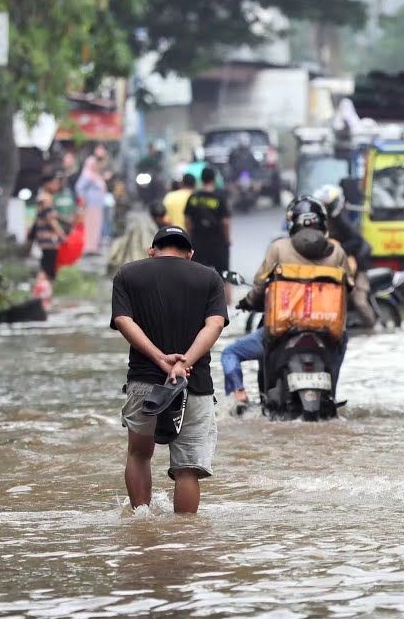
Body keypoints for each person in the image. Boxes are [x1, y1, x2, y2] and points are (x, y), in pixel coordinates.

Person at [113, 225, 228, 514]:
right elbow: (214, 325)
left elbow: (124, 321)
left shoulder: (128, 274)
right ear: (190, 254)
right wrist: (185, 361)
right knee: (187, 468)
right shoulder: (209, 277)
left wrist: (159, 358)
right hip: (194, 383)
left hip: (144, 382)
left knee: (139, 454)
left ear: (152, 250)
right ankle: (184, 538)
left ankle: (141, 521)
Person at [223, 196, 351, 409]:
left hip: (281, 330)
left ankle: (239, 396)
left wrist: (249, 301)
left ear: (292, 223)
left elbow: (259, 286)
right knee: (342, 339)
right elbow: (349, 288)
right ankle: (331, 392)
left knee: (230, 353)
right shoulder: (337, 251)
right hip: (326, 331)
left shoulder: (278, 248)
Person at [313, 184, 376, 328]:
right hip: (338, 270)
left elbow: (356, 241)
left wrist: (339, 249)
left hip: (358, 269)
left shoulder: (342, 222)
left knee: (359, 301)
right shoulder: (321, 224)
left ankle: (373, 328)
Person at [184, 167, 232, 302]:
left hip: (198, 242)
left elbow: (188, 221)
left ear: (201, 179)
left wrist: (190, 238)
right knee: (224, 275)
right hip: (218, 242)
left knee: (197, 276)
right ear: (214, 179)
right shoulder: (220, 197)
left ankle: (198, 304)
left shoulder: (194, 198)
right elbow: (225, 222)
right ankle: (227, 306)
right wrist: (227, 240)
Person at [30, 170, 68, 282]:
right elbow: (51, 220)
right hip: (48, 238)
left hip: (44, 238)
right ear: (47, 184)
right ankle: (40, 292)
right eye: (54, 183)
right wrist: (62, 235)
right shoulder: (46, 198)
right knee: (47, 268)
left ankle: (44, 292)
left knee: (47, 266)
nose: (57, 186)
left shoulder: (43, 197)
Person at [75, 147, 109, 256]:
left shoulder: (96, 175)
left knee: (96, 225)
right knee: (89, 226)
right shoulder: (87, 175)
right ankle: (87, 248)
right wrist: (83, 198)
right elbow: (79, 187)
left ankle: (93, 247)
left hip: (97, 204)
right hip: (90, 204)